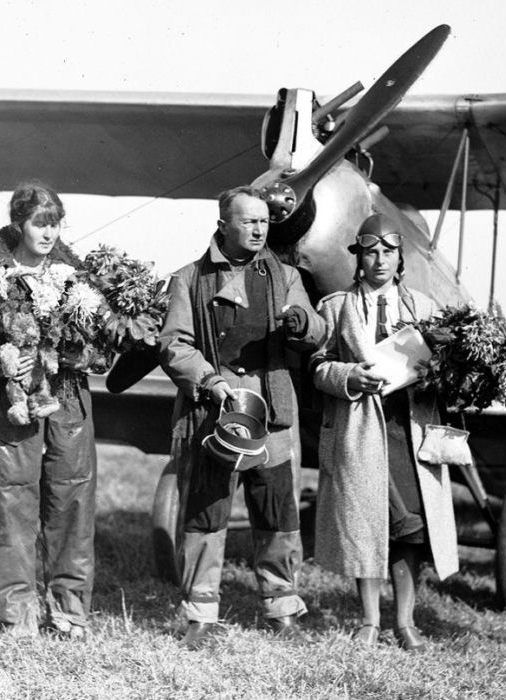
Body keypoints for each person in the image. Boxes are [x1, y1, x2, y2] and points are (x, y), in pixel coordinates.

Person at [158, 185, 326, 649]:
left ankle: (282, 604)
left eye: (264, 221)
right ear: (223, 225)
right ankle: (200, 611)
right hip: (214, 409)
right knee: (206, 510)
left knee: (277, 508)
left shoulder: (286, 276)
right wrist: (210, 381)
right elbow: (175, 344)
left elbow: (317, 330)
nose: (258, 228)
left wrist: (302, 324)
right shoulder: (189, 279)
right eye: (248, 221)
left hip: (271, 408)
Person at [0, 181, 99, 639]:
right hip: (6, 403)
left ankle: (70, 611)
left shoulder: (79, 281)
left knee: (71, 499)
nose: (49, 232)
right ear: (19, 223)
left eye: (55, 223)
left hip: (68, 399)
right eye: (40, 222)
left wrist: (75, 357)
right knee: (8, 500)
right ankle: (14, 612)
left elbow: (102, 350)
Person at [310, 213, 458, 653]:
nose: (379, 260)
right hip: (360, 428)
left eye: (388, 252)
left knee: (412, 526)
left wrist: (438, 373)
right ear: (358, 257)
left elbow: (445, 370)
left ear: (400, 258)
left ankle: (406, 620)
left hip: (409, 429)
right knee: (366, 522)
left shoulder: (425, 308)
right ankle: (370, 621)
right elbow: (317, 367)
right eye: (370, 251)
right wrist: (349, 376)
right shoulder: (335, 307)